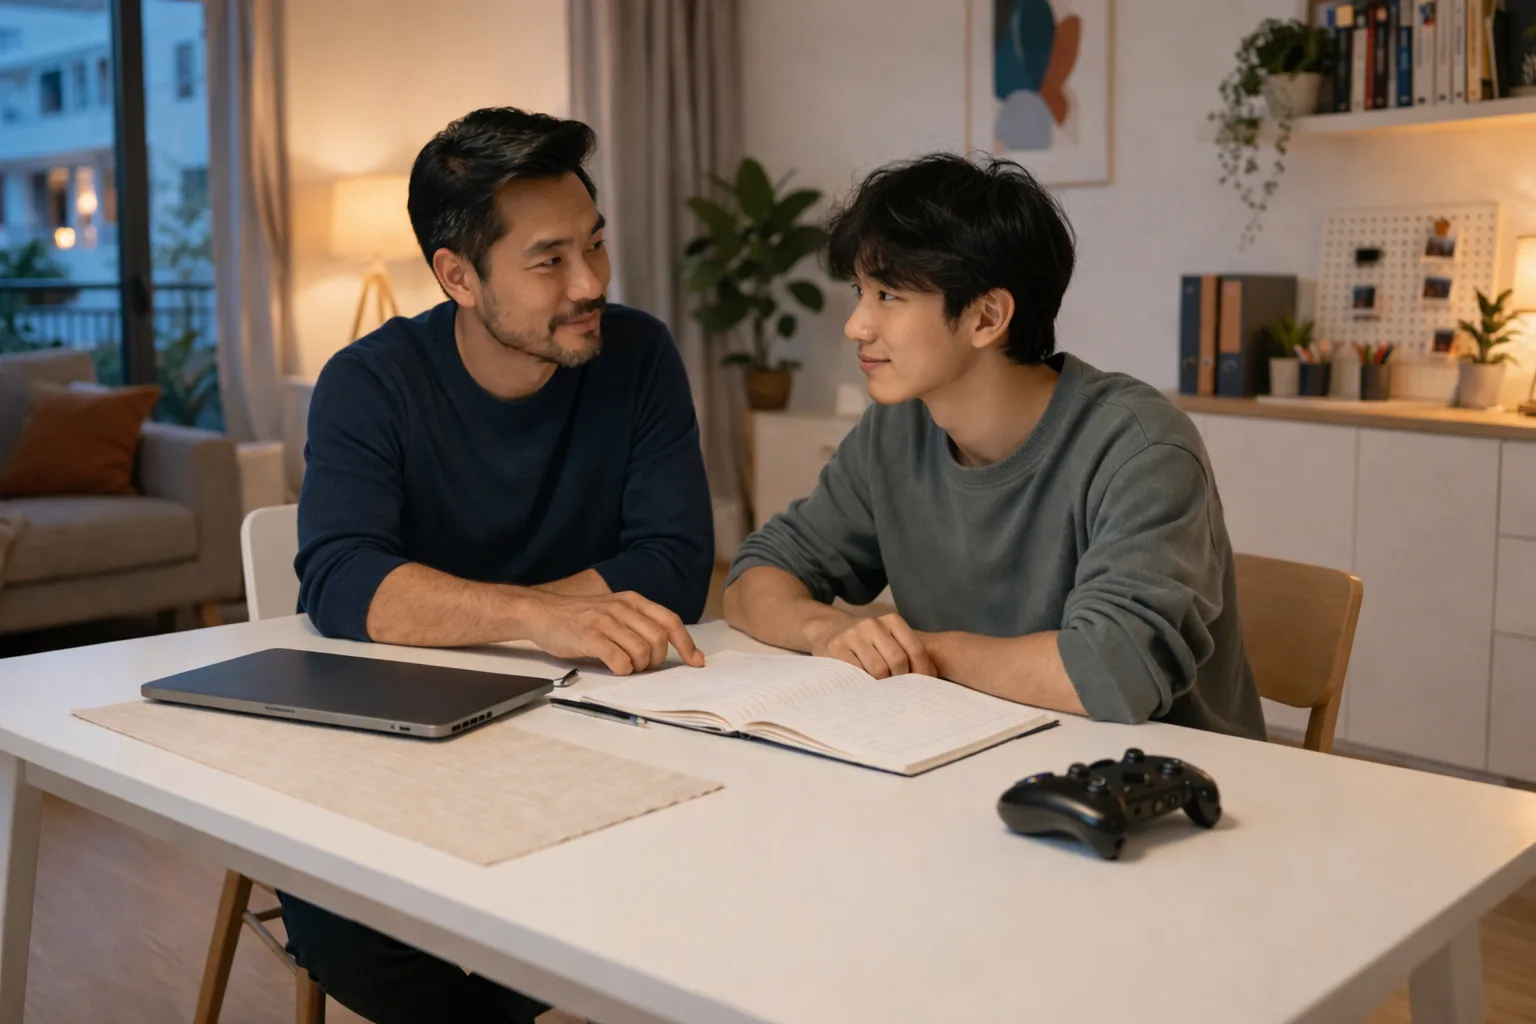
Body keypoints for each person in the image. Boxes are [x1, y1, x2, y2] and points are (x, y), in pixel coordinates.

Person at [282, 107, 714, 1023]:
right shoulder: (369, 382)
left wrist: (456, 609)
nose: (591, 280)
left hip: (591, 730)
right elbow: (342, 583)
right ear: (457, 276)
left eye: (594, 245)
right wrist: (538, 617)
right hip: (392, 745)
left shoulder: (637, 356)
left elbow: (674, 561)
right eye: (549, 260)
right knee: (352, 930)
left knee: (696, 873)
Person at [723, 153, 1265, 740]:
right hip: (974, 759)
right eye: (861, 289)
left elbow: (1114, 671)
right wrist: (825, 633)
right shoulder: (896, 430)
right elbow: (755, 578)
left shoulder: (1139, 447)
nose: (856, 324)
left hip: (1167, 792)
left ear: (987, 316)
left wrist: (919, 653)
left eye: (888, 296)